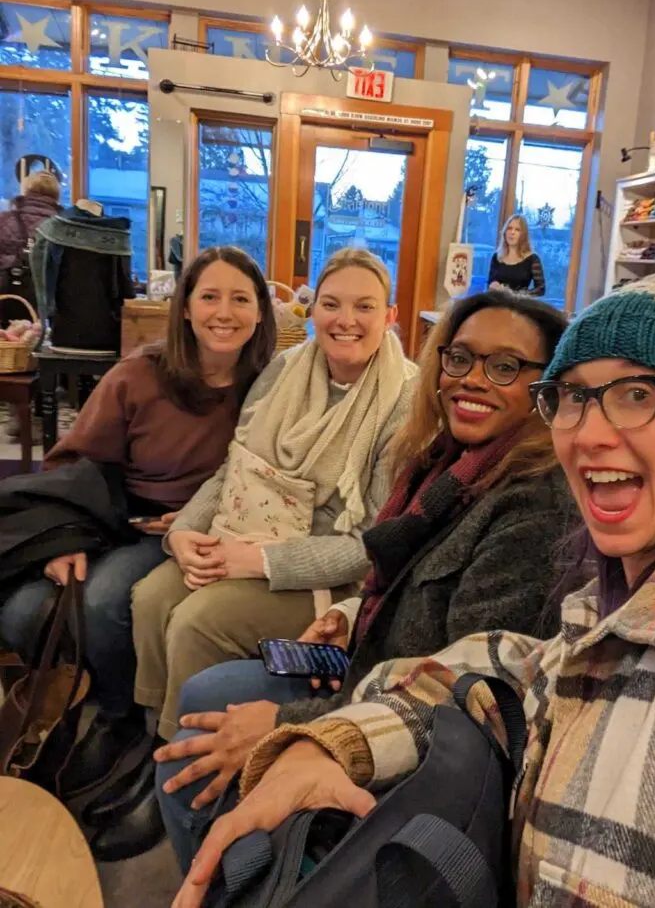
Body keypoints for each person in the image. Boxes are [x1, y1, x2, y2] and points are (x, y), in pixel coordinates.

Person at [174, 270, 655, 908]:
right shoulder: (584, 595)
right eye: (574, 396)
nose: (591, 432)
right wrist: (329, 725)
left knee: (198, 689)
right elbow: (496, 672)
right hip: (369, 675)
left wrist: (297, 719)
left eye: (634, 394)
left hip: (419, 770)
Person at [154, 289, 577, 872]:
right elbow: (400, 574)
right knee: (198, 689)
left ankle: (259, 870)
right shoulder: (443, 461)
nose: (472, 379)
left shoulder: (535, 505)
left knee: (183, 756)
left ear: (545, 388)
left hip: (416, 735)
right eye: (459, 358)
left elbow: (471, 698)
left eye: (504, 366)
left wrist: (286, 727)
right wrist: (351, 617)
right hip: (366, 659)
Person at [86, 250, 417, 862]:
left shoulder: (404, 401)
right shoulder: (287, 368)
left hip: (329, 579)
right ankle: (152, 746)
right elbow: (235, 467)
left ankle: (174, 780)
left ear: (390, 315)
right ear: (309, 308)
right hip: (247, 532)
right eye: (332, 304)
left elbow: (371, 545)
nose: (347, 320)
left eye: (365, 306)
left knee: (195, 620)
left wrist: (257, 562)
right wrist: (183, 532)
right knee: (151, 594)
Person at [0, 245, 276, 801]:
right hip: (111, 518)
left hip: (194, 534)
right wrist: (65, 541)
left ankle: (122, 718)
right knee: (21, 613)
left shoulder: (270, 387)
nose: (225, 311)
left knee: (105, 600)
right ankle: (98, 698)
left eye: (241, 298)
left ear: (261, 313)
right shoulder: (138, 376)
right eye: (210, 296)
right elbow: (71, 463)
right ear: (186, 308)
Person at [0, 169, 61, 308]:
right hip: (47, 303)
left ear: (26, 190)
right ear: (57, 195)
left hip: (6, 297)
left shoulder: (4, 220)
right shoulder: (62, 227)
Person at [488, 214, 545, 296]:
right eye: (509, 228)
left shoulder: (532, 259)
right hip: (497, 305)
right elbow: (490, 283)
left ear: (524, 235)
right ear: (504, 232)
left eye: (517, 230)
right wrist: (493, 285)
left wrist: (515, 295)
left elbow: (541, 289)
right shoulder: (496, 257)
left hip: (520, 306)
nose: (512, 232)